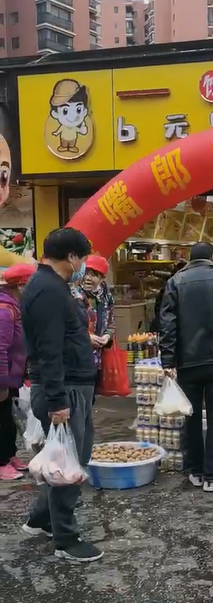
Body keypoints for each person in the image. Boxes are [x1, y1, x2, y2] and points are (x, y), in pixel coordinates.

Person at [21, 228, 103, 563]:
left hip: (71, 385)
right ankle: (66, 539)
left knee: (63, 460)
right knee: (69, 465)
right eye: (82, 258)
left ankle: (41, 518)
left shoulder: (49, 287)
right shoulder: (50, 291)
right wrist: (57, 401)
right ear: (71, 257)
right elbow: (49, 349)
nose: (83, 265)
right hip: (64, 389)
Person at [159, 242, 213, 493]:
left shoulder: (175, 282)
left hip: (187, 362)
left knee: (191, 419)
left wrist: (168, 361)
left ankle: (195, 471)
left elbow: (167, 324)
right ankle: (211, 476)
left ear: (188, 259)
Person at [0, 263, 36, 480]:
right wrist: (2, 383)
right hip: (3, 378)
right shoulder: (4, 311)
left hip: (12, 376)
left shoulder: (15, 307)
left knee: (9, 418)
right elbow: (0, 348)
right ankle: (2, 462)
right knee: (1, 418)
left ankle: (10, 454)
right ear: (21, 286)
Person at [81, 255, 115, 388]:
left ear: (102, 278)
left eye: (93, 275)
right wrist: (87, 337)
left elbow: (111, 322)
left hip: (98, 358)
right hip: (80, 356)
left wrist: (107, 336)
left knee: (92, 397)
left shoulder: (106, 296)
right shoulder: (76, 295)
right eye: (86, 273)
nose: (88, 278)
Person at [150, 260, 187, 333]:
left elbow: (158, 308)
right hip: (168, 326)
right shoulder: (177, 286)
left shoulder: (170, 283)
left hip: (163, 324)